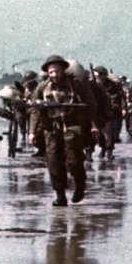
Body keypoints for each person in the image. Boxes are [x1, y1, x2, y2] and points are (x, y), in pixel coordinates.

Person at [32, 55, 92, 207]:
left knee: (74, 161)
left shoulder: (76, 85)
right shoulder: (42, 87)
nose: (54, 75)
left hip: (72, 126)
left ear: (63, 70)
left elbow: (91, 105)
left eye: (57, 71)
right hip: (52, 128)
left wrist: (92, 126)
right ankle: (60, 195)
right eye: (51, 72)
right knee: (53, 161)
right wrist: (32, 131)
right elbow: (34, 110)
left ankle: (79, 184)